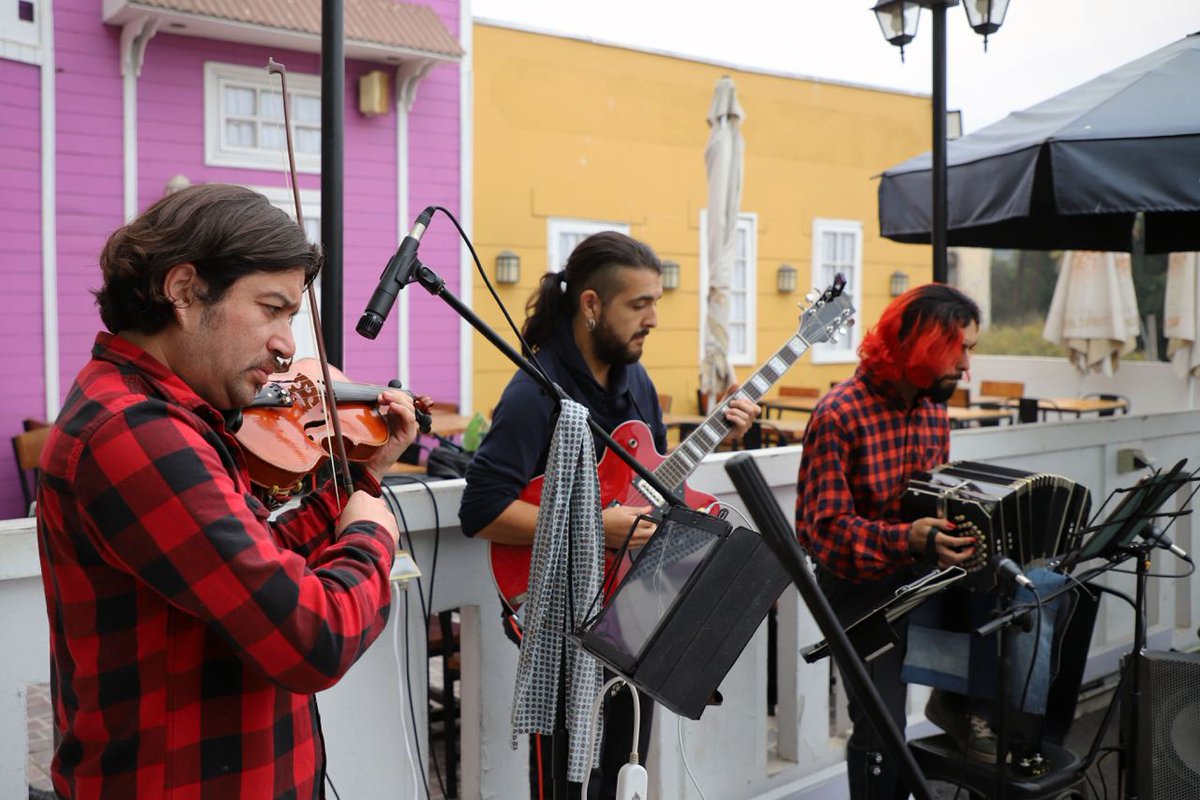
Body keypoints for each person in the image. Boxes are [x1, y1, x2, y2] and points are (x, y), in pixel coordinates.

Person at [35, 184, 418, 800]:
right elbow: (312, 639)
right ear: (185, 290)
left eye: (292, 317)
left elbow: (253, 558)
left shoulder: (163, 416)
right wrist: (371, 534)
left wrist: (360, 482)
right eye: (272, 308)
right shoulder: (137, 433)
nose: (289, 346)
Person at [460, 231, 759, 799]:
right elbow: (483, 511)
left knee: (627, 767)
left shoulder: (636, 381)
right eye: (638, 304)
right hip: (555, 610)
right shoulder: (534, 393)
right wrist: (598, 525)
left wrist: (718, 436)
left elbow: (653, 481)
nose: (652, 319)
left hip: (636, 598)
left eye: (656, 304)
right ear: (591, 305)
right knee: (565, 784)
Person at [795, 283, 982, 800]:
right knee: (880, 727)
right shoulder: (839, 413)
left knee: (1035, 600)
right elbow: (821, 533)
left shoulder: (933, 411)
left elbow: (932, 498)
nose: (966, 367)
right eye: (958, 349)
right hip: (856, 588)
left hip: (921, 575)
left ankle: (958, 702)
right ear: (921, 345)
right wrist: (908, 539)